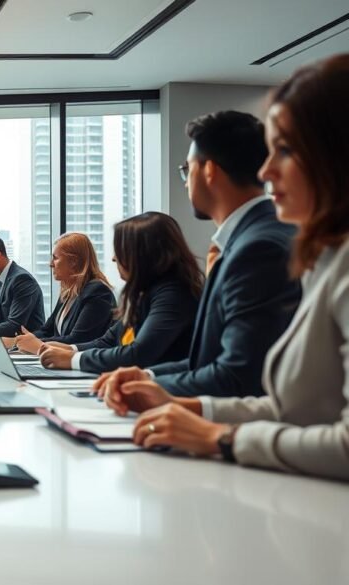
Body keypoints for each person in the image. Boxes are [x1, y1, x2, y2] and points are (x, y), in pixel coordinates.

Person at [98, 54, 349, 481]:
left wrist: (221, 437)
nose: (267, 171)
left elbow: (242, 376)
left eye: (284, 150)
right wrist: (179, 404)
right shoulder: (323, 255)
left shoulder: (264, 248)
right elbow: (291, 405)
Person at [102, 111, 301, 398]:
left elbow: (239, 375)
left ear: (209, 171)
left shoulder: (258, 249)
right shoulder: (252, 238)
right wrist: (147, 375)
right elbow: (208, 362)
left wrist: (147, 387)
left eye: (187, 169)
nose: (185, 182)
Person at [37, 213, 202, 373]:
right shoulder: (145, 294)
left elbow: (138, 353)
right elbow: (108, 341)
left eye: (121, 250)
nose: (114, 258)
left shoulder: (173, 295)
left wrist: (72, 359)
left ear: (142, 254)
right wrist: (69, 349)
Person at [8, 232, 115, 353]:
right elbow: (47, 330)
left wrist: (38, 345)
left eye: (55, 258)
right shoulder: (68, 292)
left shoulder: (97, 291)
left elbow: (78, 339)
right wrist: (19, 340)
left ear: (73, 261)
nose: (50, 264)